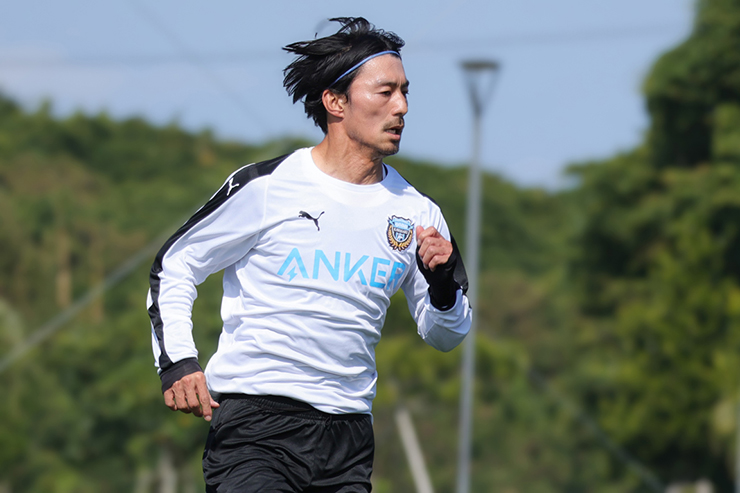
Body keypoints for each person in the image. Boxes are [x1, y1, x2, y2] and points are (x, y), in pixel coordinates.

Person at [147, 17, 472, 492]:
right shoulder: (267, 186)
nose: (401, 106)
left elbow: (446, 333)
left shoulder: (419, 213)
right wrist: (178, 360)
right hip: (256, 429)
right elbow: (175, 264)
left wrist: (442, 285)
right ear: (336, 102)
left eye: (405, 92)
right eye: (385, 92)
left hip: (349, 439)